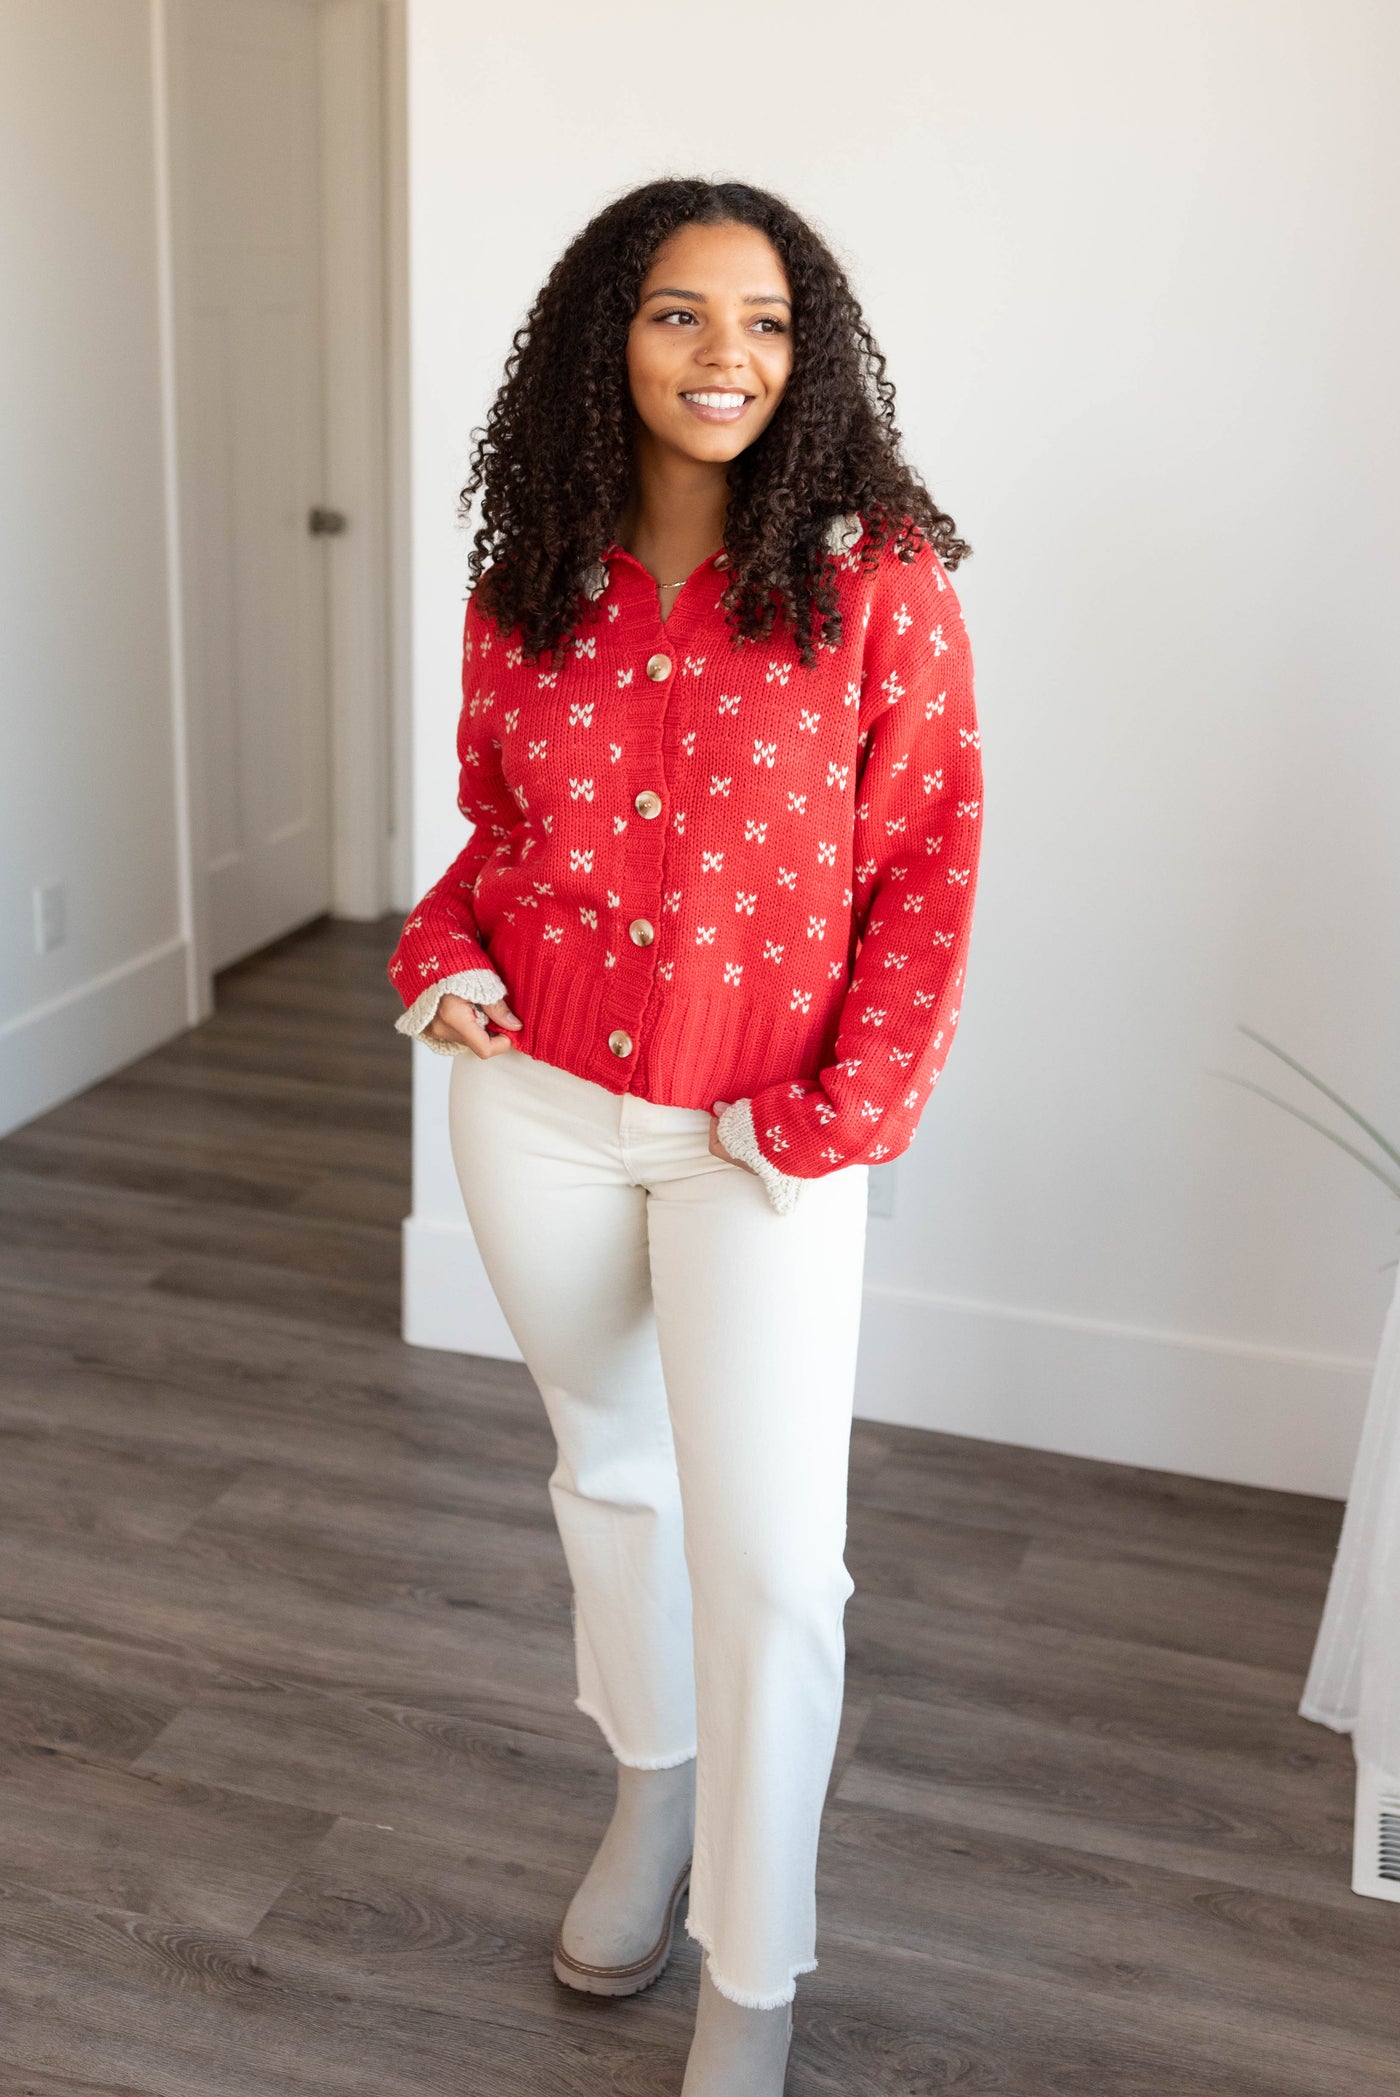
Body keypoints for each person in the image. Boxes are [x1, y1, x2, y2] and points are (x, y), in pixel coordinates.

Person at [387, 174, 982, 2097]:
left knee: (780, 1566)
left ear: (808, 356)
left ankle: (757, 1966)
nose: (726, 354)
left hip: (764, 1135)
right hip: (538, 1107)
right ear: (604, 339)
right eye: (676, 313)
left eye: (768, 321)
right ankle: (649, 1801)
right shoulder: (531, 569)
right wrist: (436, 954)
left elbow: (926, 862)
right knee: (613, 1477)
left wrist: (834, 1121)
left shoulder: (873, 574)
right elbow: (494, 837)